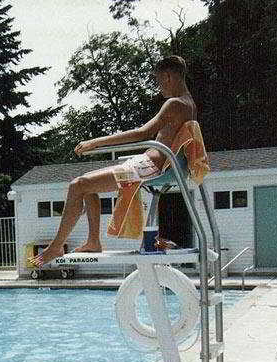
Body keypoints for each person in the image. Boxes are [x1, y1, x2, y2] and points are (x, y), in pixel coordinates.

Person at [34, 55, 196, 266]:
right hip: (153, 163)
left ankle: (56, 246)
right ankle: (93, 241)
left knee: (77, 185)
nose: (159, 88)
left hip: (151, 166)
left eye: (158, 81)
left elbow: (141, 133)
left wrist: (95, 143)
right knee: (86, 185)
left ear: (167, 77)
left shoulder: (174, 103)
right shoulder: (190, 104)